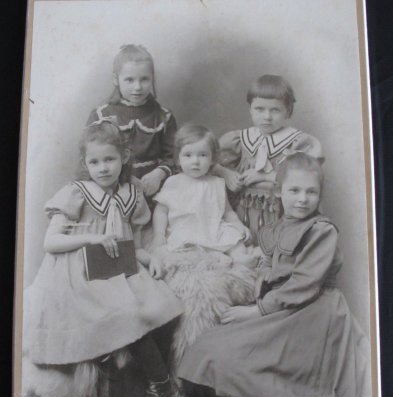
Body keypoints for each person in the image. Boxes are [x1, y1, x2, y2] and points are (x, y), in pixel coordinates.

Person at [177, 153, 371, 397]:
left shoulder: (322, 230)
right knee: (209, 348)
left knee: (294, 362)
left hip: (316, 309)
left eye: (311, 192)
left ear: (320, 195)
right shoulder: (276, 227)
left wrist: (257, 311)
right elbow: (271, 264)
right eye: (294, 190)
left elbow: (305, 283)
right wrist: (260, 281)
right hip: (280, 307)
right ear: (279, 191)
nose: (302, 199)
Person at [23, 121, 203, 397]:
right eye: (94, 162)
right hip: (79, 273)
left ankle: (157, 394)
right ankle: (165, 393)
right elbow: (50, 242)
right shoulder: (77, 193)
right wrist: (92, 238)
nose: (103, 168)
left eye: (109, 159)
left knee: (165, 306)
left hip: (118, 266)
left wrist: (149, 258)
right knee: (128, 314)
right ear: (85, 164)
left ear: (124, 157)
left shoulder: (131, 193)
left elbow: (133, 241)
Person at [213, 75, 323, 239]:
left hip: (281, 216)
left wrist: (265, 176)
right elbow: (208, 163)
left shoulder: (298, 143)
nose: (267, 117)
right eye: (259, 109)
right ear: (250, 110)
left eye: (275, 110)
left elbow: (307, 179)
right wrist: (225, 173)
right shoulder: (240, 140)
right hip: (242, 214)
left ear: (288, 111)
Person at [152, 124, 258, 267]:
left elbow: (227, 212)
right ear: (178, 159)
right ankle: (215, 256)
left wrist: (238, 225)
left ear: (212, 159)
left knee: (233, 236)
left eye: (202, 155)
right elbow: (161, 211)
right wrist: (159, 234)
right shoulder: (173, 182)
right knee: (185, 245)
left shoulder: (217, 183)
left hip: (213, 227)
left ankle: (239, 256)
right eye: (188, 155)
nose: (195, 161)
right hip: (186, 228)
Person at [87, 44, 177, 198]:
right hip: (113, 187)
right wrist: (124, 177)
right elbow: (91, 157)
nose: (137, 87)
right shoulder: (101, 115)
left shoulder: (163, 116)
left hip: (154, 189)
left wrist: (158, 174)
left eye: (144, 79)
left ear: (152, 78)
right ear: (116, 79)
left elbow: (174, 156)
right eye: (129, 80)